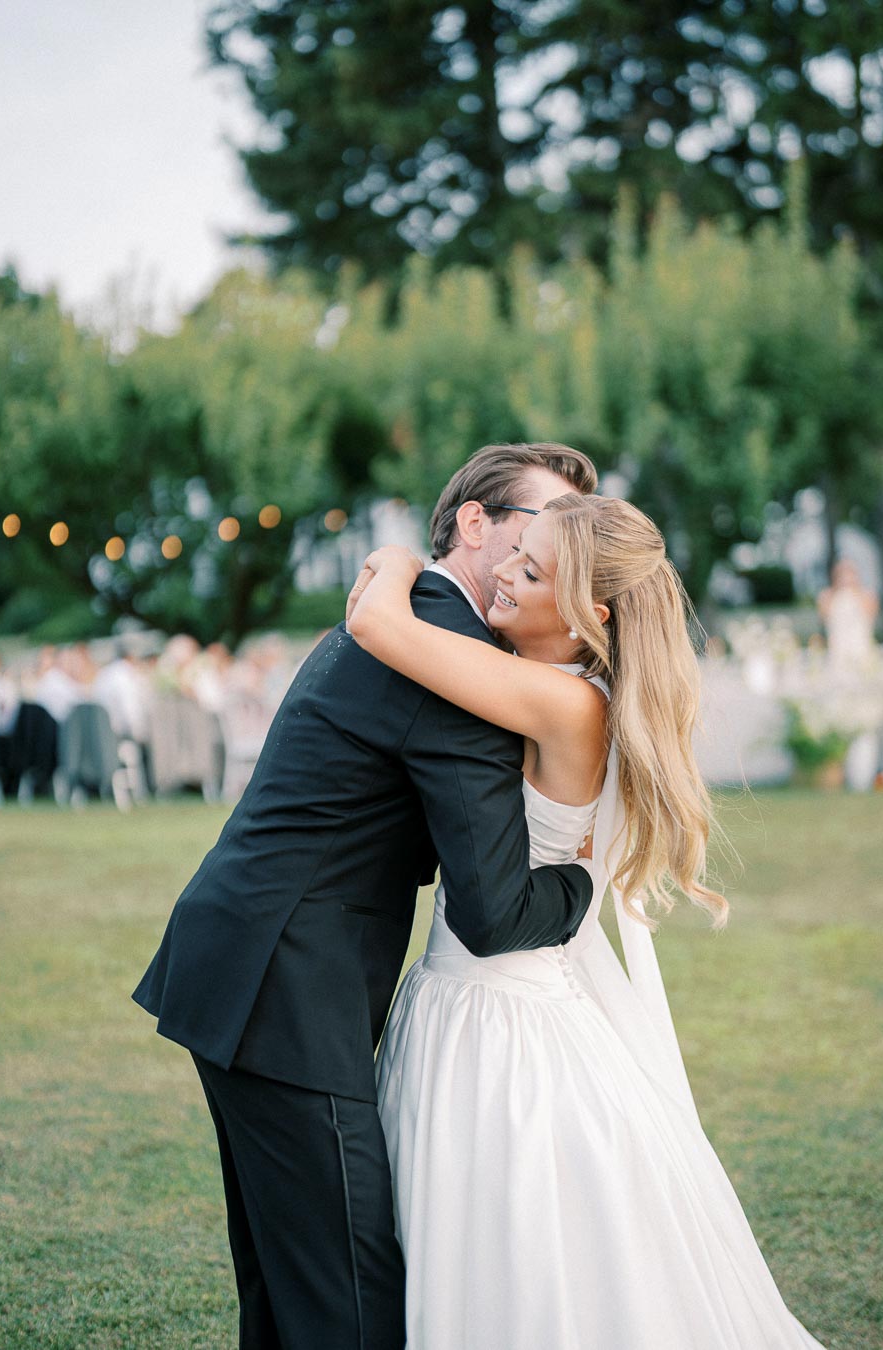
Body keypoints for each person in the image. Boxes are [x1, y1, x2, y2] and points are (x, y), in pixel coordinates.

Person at [132, 442, 599, 1350]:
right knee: (349, 1290)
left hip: (248, 961)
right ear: (476, 523)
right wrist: (583, 888)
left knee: (286, 1276)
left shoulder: (408, 609)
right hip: (285, 988)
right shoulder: (446, 657)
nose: (544, 557)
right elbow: (497, 911)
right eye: (538, 533)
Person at [346, 493, 826, 1350]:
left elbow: (381, 629)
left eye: (530, 571)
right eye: (513, 555)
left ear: (587, 615)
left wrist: (394, 559)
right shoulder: (574, 689)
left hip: (498, 1016)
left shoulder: (563, 700)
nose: (503, 572)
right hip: (466, 994)